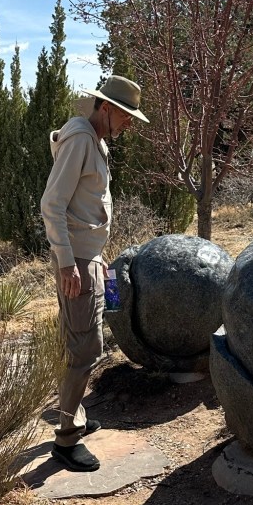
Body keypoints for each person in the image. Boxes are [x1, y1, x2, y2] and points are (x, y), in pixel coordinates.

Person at [40, 75, 149, 472]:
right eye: (126, 115)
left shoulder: (96, 141)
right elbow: (52, 204)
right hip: (77, 263)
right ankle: (66, 440)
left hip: (90, 259)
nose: (130, 124)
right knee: (86, 349)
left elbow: (87, 208)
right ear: (106, 107)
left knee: (83, 337)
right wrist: (69, 261)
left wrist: (94, 256)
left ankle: (75, 416)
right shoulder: (82, 140)